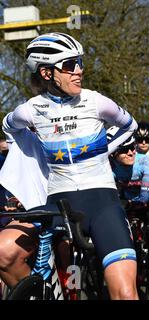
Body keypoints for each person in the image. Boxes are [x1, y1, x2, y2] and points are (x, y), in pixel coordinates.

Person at [0, 33, 138, 299]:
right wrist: (31, 156)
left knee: (124, 293)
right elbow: (9, 128)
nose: (79, 71)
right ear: (47, 73)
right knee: (5, 253)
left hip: (101, 201)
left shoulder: (97, 101)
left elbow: (129, 126)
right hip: (58, 202)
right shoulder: (30, 110)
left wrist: (101, 148)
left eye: (80, 62)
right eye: (70, 64)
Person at [107, 126, 149, 300]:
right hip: (129, 201)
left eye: (132, 147)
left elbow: (146, 188)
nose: (131, 152)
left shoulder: (144, 160)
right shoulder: (107, 167)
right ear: (113, 153)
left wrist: (142, 197)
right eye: (124, 150)